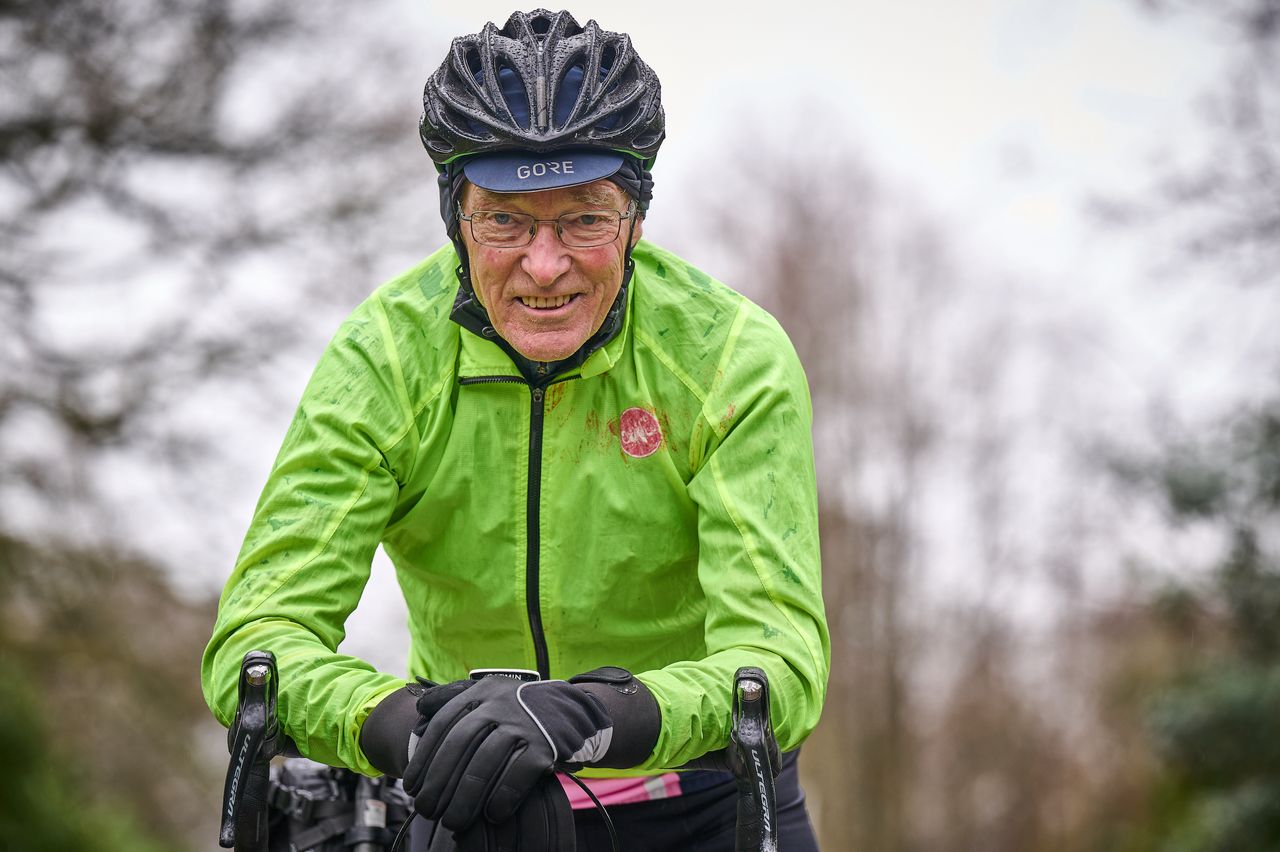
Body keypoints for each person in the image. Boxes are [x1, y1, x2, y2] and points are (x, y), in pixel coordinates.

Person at [202, 9, 830, 851]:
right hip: (465, 800)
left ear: (636, 217)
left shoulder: (728, 359)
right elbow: (255, 643)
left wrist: (596, 714)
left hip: (703, 802)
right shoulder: (387, 357)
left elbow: (780, 668)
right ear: (454, 216)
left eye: (584, 218)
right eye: (504, 219)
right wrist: (403, 724)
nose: (543, 265)